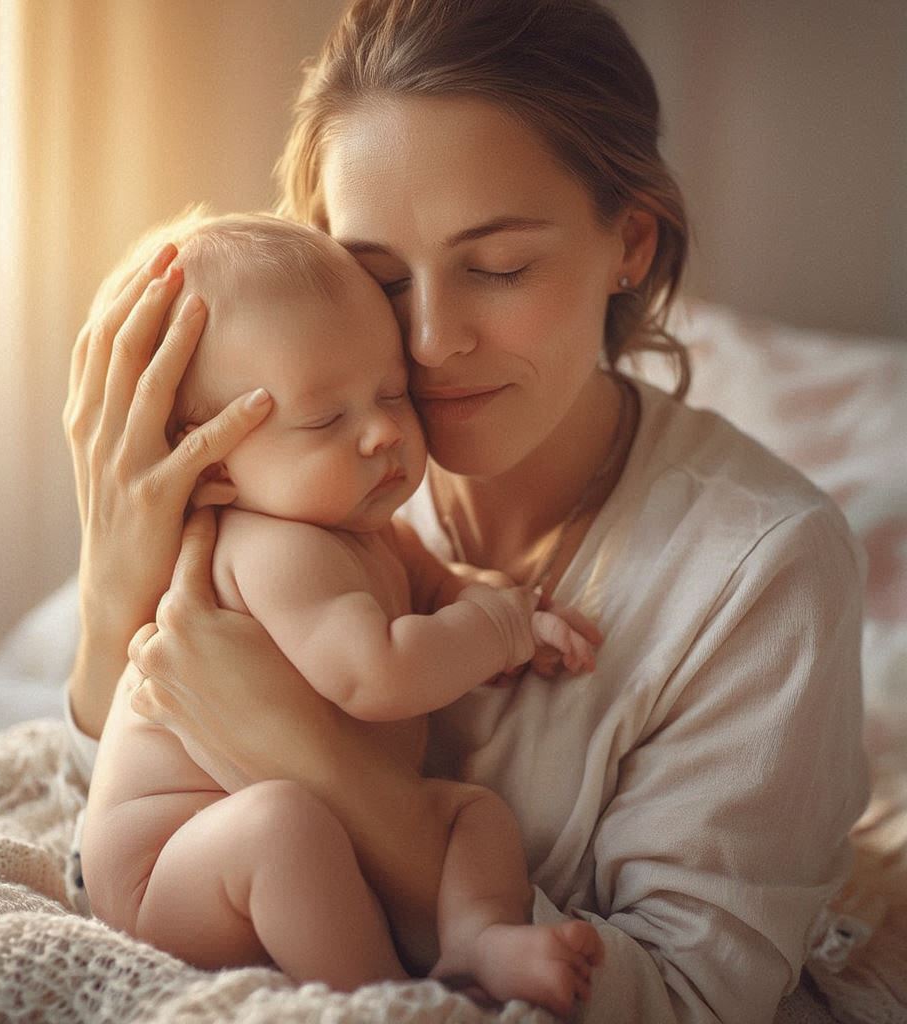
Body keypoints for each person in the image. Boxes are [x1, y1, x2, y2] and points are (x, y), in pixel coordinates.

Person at [62, 1, 870, 1021]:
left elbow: (688, 1001)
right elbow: (116, 824)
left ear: (628, 242)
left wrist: (325, 773)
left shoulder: (764, 571)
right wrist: (109, 593)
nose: (432, 339)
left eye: (496, 268)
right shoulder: (303, 477)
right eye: (378, 277)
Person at [80, 210, 605, 1013]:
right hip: (172, 867)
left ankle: (480, 936)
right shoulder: (271, 548)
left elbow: (437, 588)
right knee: (279, 827)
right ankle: (386, 999)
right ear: (211, 462)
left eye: (392, 391)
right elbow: (375, 676)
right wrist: (494, 628)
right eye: (326, 418)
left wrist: (496, 604)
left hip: (315, 830)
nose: (383, 434)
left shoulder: (367, 531)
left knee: (472, 815)